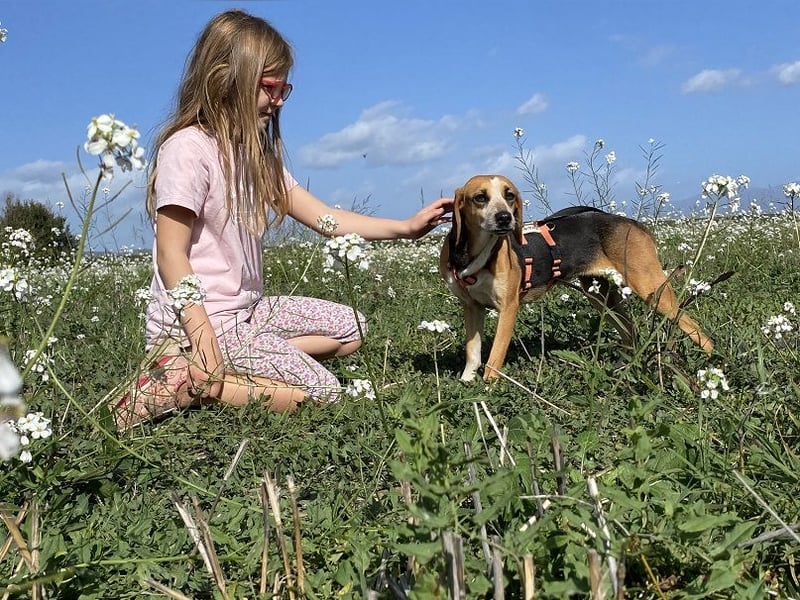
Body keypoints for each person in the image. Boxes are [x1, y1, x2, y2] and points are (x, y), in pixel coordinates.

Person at [111, 9, 452, 430]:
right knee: (325, 395)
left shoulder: (256, 157)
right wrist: (201, 339)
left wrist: (405, 228)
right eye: (270, 87)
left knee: (353, 329)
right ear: (225, 79)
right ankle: (190, 380)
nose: (279, 101)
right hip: (198, 322)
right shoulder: (187, 149)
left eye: (284, 88)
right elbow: (170, 254)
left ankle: (235, 367)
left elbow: (325, 217)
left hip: (248, 314)